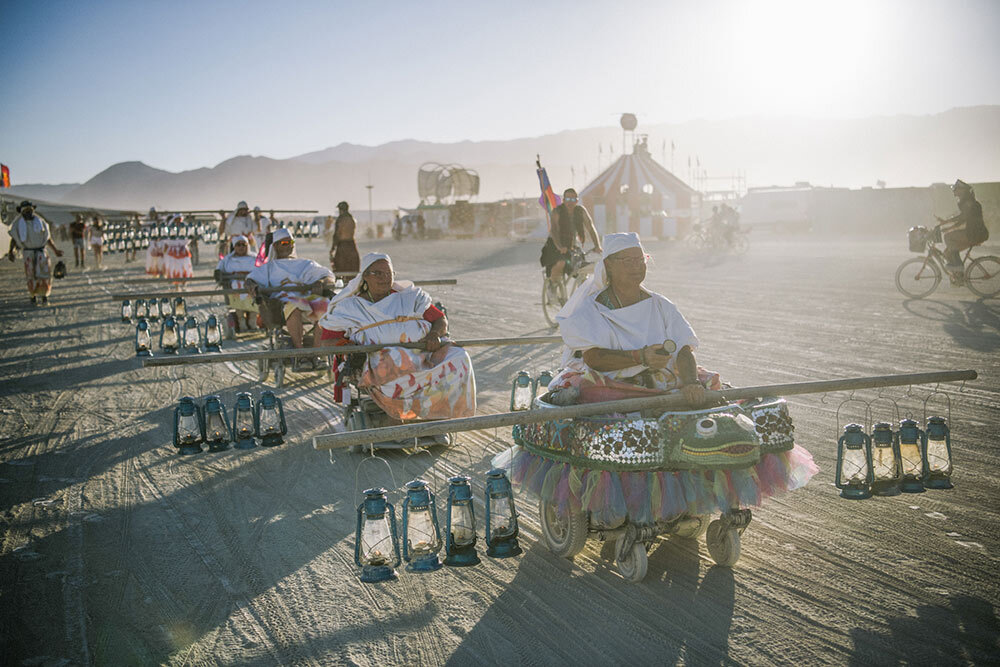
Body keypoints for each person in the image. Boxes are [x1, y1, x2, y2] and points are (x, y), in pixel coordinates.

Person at [547, 232, 718, 407]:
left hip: (664, 381)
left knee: (710, 387)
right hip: (615, 387)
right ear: (608, 265)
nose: (636, 266)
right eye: (628, 261)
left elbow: (683, 347)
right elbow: (593, 358)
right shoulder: (591, 309)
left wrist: (691, 383)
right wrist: (640, 356)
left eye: (640, 259)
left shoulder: (661, 305)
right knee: (590, 393)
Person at [320, 252, 476, 421]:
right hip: (378, 359)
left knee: (460, 357)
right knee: (397, 359)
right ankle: (401, 415)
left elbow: (439, 319)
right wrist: (347, 347)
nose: (385, 278)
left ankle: (441, 413)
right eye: (378, 273)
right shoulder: (349, 306)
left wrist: (434, 335)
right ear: (365, 276)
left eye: (389, 274)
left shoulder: (410, 297)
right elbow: (327, 340)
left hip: (423, 352)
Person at [245, 228, 336, 354]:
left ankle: (317, 353)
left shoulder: (305, 264)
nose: (289, 246)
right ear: (275, 246)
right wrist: (253, 287)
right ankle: (300, 353)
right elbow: (250, 280)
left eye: (291, 243)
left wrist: (320, 282)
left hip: (307, 301)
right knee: (294, 306)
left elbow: (328, 276)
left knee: (325, 306)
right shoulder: (269, 268)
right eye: (284, 243)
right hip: (281, 304)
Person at [540, 188, 602, 286]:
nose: (570, 202)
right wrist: (559, 246)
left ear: (577, 201)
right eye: (568, 199)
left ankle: (583, 293)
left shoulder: (581, 211)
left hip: (571, 246)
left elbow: (590, 227)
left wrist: (597, 245)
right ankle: (552, 287)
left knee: (581, 268)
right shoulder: (557, 211)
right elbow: (554, 231)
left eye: (573, 200)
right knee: (561, 263)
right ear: (563, 200)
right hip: (554, 245)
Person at [10, 201, 63, 305]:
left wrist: (55, 250)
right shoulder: (17, 224)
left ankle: (44, 296)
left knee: (44, 275)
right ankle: (32, 296)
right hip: (28, 253)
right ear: (21, 212)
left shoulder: (40, 221)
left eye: (30, 210)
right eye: (26, 211)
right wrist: (11, 251)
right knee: (31, 275)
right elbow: (14, 238)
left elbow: (47, 238)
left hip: (41, 252)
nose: (28, 212)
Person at [939, 179, 989, 279]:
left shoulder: (969, 202)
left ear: (962, 190)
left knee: (948, 237)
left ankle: (958, 266)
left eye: (956, 189)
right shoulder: (966, 201)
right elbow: (963, 219)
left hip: (976, 233)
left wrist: (947, 224)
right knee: (947, 253)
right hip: (974, 232)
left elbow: (963, 217)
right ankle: (959, 277)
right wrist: (949, 225)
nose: (954, 191)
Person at [216, 234, 258, 331]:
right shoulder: (228, 260)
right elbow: (219, 270)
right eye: (238, 245)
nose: (241, 247)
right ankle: (241, 322)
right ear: (234, 246)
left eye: (243, 245)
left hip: (252, 284)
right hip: (234, 286)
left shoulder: (254, 258)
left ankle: (252, 321)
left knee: (255, 296)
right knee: (236, 292)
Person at [330, 200, 360, 274]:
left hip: (342, 246)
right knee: (353, 269)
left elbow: (337, 234)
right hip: (352, 245)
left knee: (341, 269)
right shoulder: (352, 219)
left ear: (341, 210)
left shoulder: (340, 220)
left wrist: (333, 248)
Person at [161, 215, 194, 279]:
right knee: (174, 267)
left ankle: (184, 282)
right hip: (173, 251)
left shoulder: (184, 227)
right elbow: (166, 239)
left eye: (179, 220)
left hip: (183, 250)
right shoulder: (170, 228)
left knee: (184, 266)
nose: (178, 222)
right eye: (177, 220)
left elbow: (189, 237)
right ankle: (176, 284)